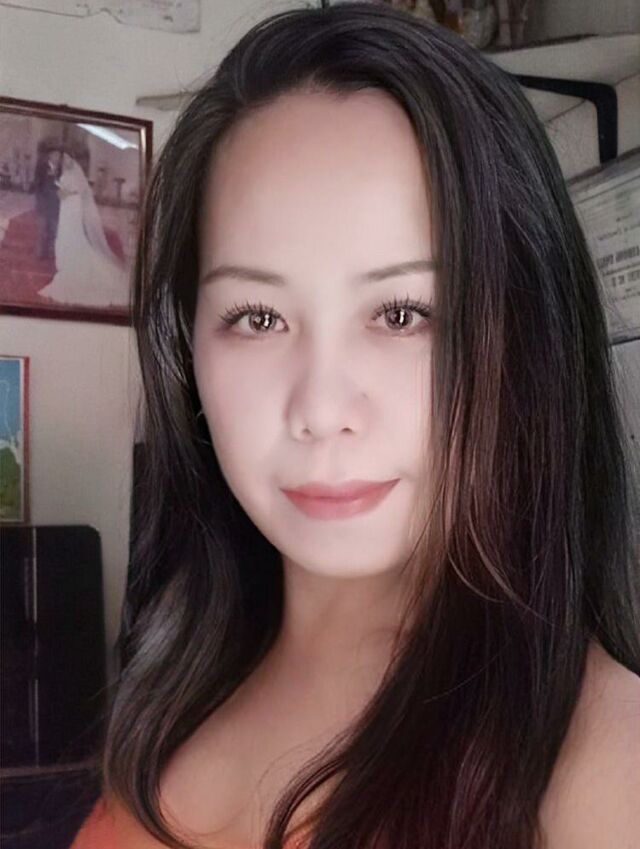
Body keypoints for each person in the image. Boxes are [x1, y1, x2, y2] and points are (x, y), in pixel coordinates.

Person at [67, 2, 640, 848]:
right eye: (257, 317)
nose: (321, 409)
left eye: (403, 313)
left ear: (530, 337)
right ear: (187, 346)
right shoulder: (177, 669)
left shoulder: (602, 766)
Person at [37, 151, 129, 307]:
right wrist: (61, 191)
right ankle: (67, 260)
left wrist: (64, 192)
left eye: (66, 159)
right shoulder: (65, 172)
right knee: (66, 234)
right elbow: (63, 189)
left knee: (71, 234)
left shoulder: (72, 173)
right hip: (68, 206)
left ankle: (73, 263)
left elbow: (75, 191)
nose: (65, 161)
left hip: (72, 206)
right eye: (63, 159)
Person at [32, 145, 61, 260]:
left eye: (59, 156)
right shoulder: (41, 167)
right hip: (43, 204)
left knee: (54, 231)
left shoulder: (61, 170)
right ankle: (39, 253)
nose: (57, 158)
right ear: (50, 155)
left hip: (55, 205)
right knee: (42, 230)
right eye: (55, 155)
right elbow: (37, 185)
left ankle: (51, 252)